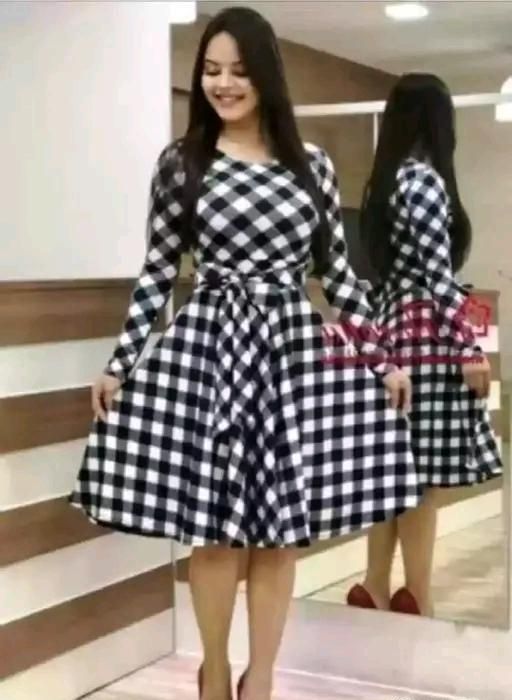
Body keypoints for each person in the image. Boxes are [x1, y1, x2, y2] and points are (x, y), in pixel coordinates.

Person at [69, 8, 421, 700]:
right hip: (210, 350)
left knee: (278, 533)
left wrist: (381, 357)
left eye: (238, 70)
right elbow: (159, 271)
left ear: (266, 76)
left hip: (288, 351)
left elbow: (338, 277)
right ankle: (213, 672)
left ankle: (259, 678)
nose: (223, 84)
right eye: (210, 70)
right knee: (213, 533)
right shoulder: (182, 164)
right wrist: (121, 360)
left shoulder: (312, 165)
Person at [347, 73, 503, 617]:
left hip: (390, 330)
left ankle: (373, 585)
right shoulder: (426, 183)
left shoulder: (385, 185)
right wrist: (469, 347)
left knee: (392, 470)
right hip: (428, 343)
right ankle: (419, 595)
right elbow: (439, 277)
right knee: (423, 477)